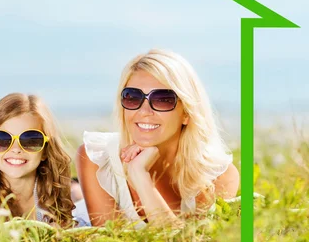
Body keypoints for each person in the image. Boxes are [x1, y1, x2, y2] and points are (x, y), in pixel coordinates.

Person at [76, 49, 240, 228]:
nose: (144, 111)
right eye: (132, 97)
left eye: (163, 99)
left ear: (186, 113)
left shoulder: (218, 176)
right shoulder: (97, 159)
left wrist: (140, 176)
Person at [0, 93, 75, 230]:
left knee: (77, 194)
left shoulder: (57, 174)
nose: (16, 149)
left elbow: (63, 233)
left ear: (46, 149)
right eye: (2, 139)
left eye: (31, 140)